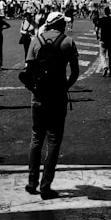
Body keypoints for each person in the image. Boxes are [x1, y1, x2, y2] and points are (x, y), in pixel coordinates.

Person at [24, 11, 80, 199]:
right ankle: (45, 186)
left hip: (38, 96)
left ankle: (32, 182)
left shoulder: (36, 40)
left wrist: (34, 89)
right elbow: (74, 72)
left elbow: (27, 72)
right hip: (57, 96)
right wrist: (65, 86)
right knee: (54, 141)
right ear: (60, 25)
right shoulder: (68, 42)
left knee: (36, 139)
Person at [96, 5, 111, 77]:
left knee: (102, 54)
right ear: (109, 12)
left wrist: (97, 36)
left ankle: (104, 66)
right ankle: (110, 70)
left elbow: (96, 29)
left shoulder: (101, 20)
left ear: (104, 12)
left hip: (103, 39)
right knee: (110, 55)